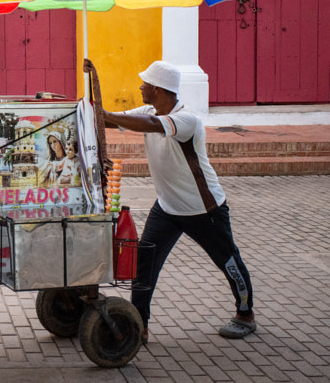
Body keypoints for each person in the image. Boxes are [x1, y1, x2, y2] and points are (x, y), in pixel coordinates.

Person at [84, 59, 256, 344]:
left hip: (204, 210)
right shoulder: (147, 111)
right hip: (166, 209)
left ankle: (245, 315)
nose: (140, 86)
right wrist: (92, 105)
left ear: (158, 89)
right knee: (144, 266)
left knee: (229, 262)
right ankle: (138, 326)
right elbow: (114, 119)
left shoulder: (186, 119)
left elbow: (152, 125)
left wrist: (102, 112)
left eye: (145, 84)